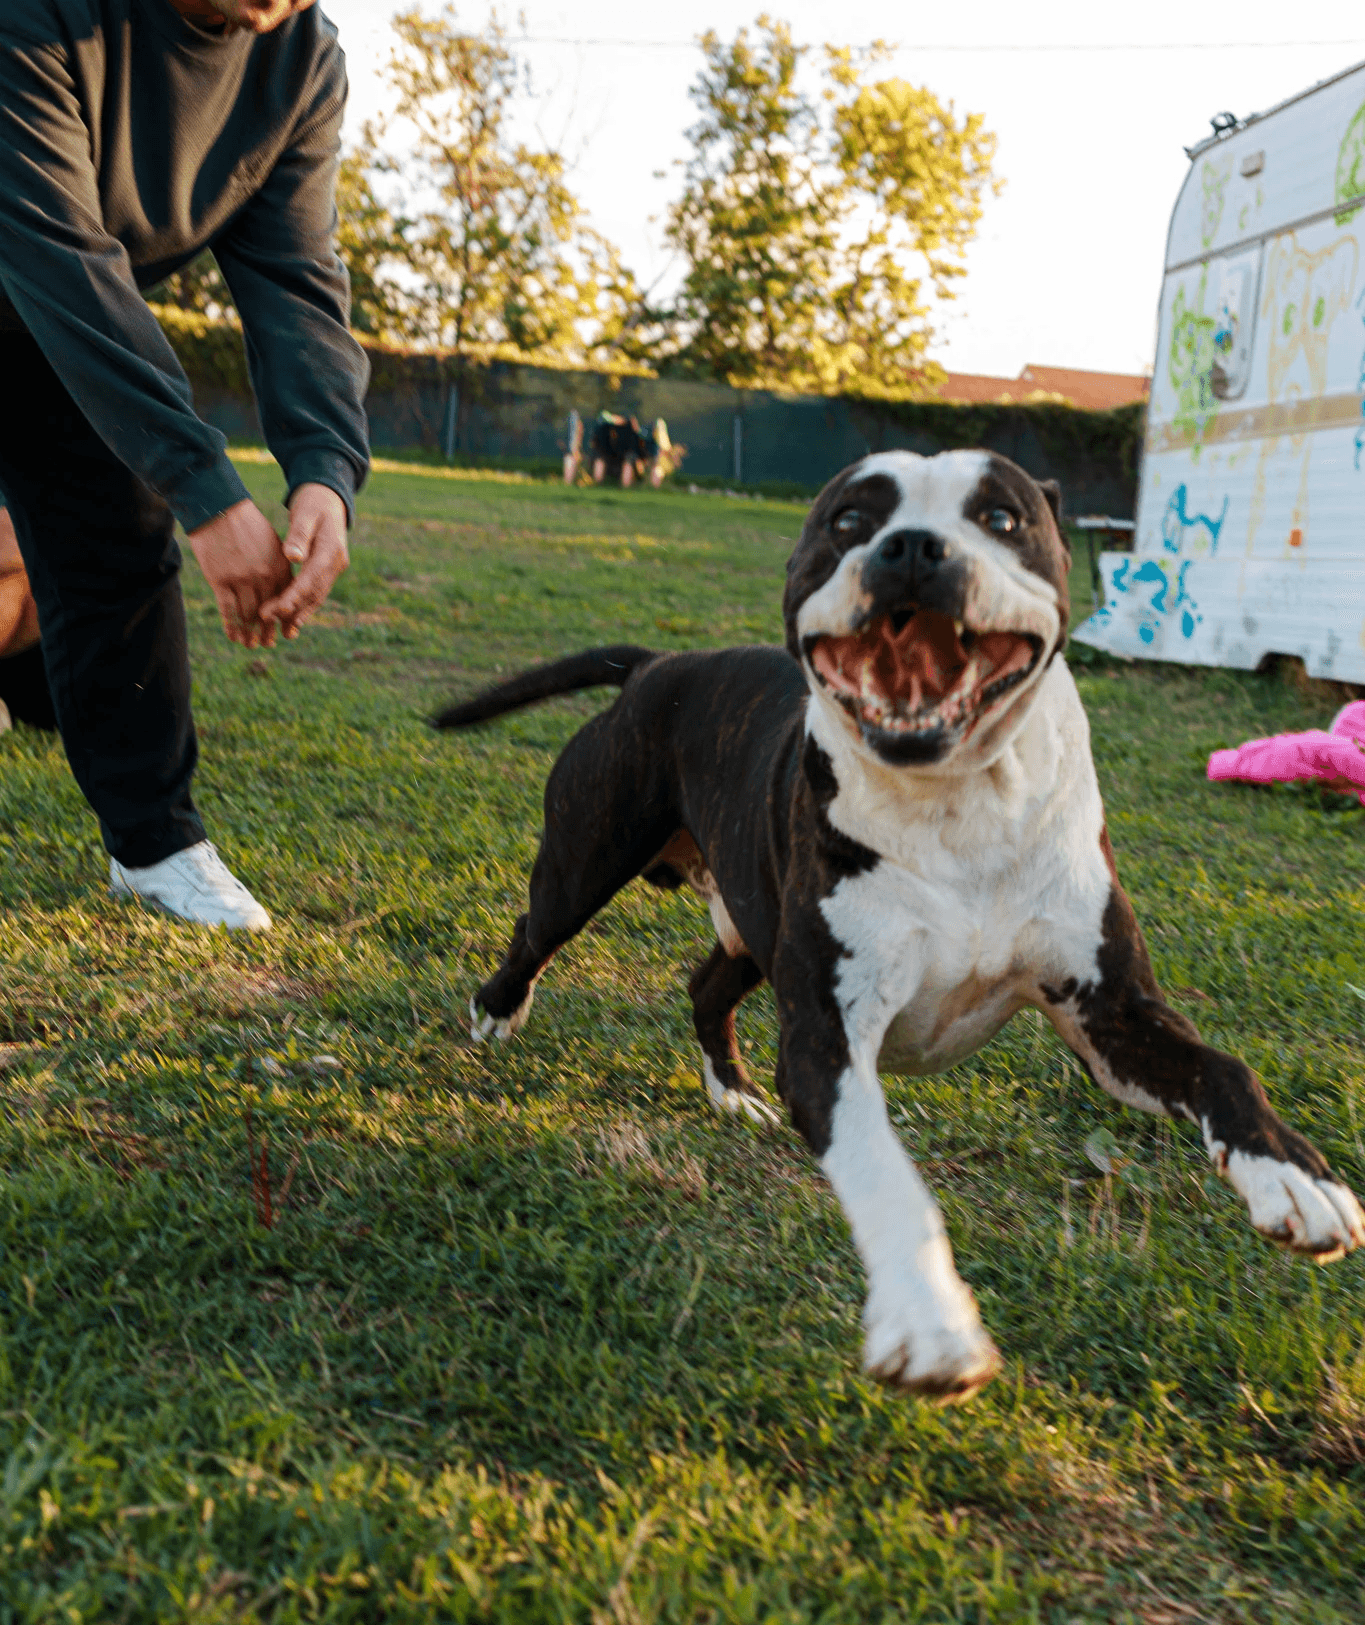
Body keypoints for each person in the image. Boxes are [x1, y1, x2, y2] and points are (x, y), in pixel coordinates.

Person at [0, 0, 370, 929]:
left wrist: (324, 464)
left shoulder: (305, 64)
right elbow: (57, 251)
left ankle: (154, 847)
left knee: (114, 538)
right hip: (39, 269)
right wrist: (207, 490)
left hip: (52, 325)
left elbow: (295, 278)